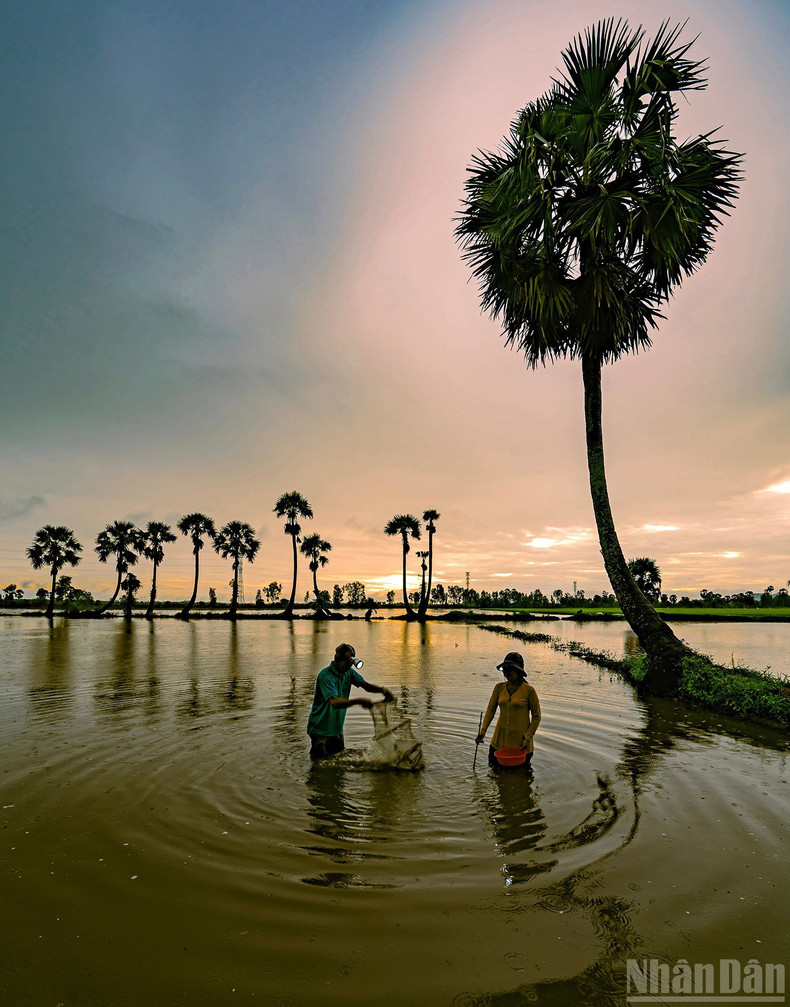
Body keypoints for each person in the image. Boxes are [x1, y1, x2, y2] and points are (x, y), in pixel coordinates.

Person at [307, 642, 394, 759]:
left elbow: (365, 686)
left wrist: (382, 690)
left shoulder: (349, 672)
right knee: (318, 765)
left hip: (336, 729)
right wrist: (358, 701)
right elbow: (334, 702)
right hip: (320, 729)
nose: (349, 666)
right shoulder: (325, 676)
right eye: (346, 663)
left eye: (351, 664)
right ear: (337, 659)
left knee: (337, 762)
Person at [475, 652, 541, 767]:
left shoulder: (529, 690)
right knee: (494, 778)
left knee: (521, 778)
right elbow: (491, 710)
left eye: (510, 669)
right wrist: (483, 730)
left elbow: (536, 717)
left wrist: (527, 737)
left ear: (519, 671)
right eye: (504, 669)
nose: (506, 672)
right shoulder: (499, 688)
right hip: (498, 743)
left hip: (521, 745)